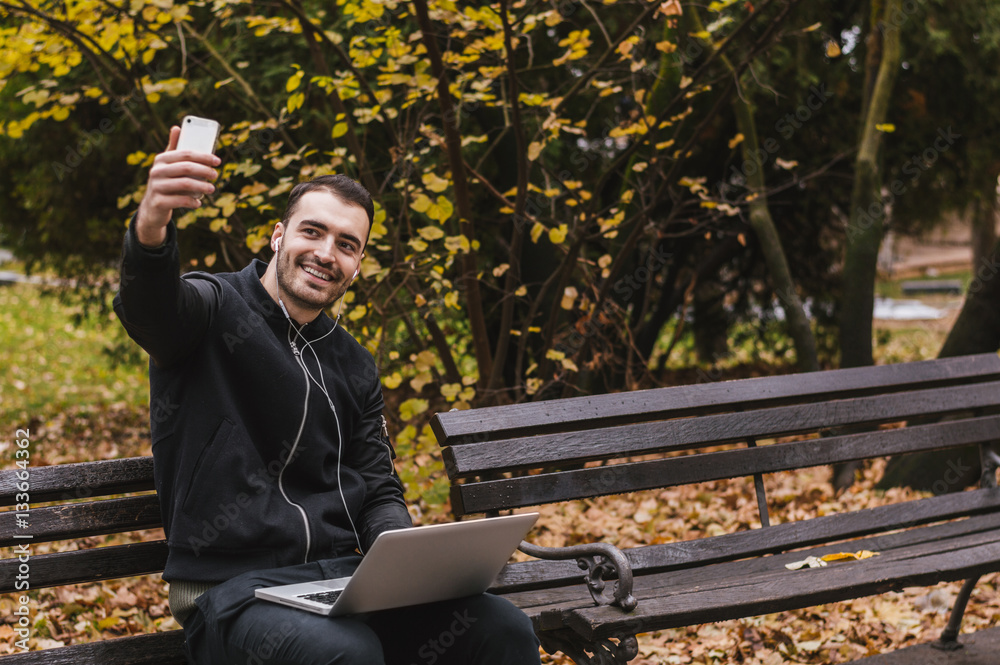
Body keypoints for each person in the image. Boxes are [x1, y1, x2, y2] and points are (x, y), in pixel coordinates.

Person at [114, 125, 542, 665]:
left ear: (358, 265)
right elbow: (148, 309)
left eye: (346, 244)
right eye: (312, 232)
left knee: (501, 629)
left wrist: (403, 566)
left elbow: (378, 486)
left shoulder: (354, 364)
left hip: (339, 582)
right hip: (230, 591)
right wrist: (152, 223)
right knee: (347, 653)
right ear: (278, 236)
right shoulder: (210, 310)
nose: (325, 253)